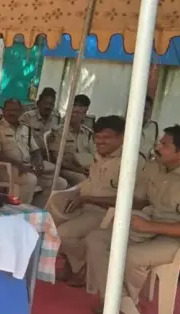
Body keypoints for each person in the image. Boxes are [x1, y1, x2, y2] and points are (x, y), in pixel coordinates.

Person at [84, 126, 180, 314]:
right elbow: (141, 201)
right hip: (149, 229)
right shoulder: (155, 167)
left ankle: (125, 312)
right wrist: (123, 212)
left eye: (164, 144)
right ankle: (120, 303)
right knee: (96, 239)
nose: (157, 147)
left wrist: (150, 226)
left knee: (132, 255)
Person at [48, 115, 143, 287]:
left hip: (107, 213)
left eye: (106, 137)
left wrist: (86, 198)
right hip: (86, 206)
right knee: (49, 223)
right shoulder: (100, 155)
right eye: (97, 137)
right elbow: (92, 182)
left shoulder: (131, 161)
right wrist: (70, 194)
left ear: (122, 137)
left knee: (64, 233)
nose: (100, 142)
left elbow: (131, 200)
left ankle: (80, 267)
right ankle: (73, 262)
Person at [47, 94, 94, 185]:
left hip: (86, 168)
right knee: (82, 179)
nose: (73, 115)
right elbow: (56, 159)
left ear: (84, 115)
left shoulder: (87, 133)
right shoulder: (59, 132)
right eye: (72, 112)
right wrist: (78, 170)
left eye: (77, 113)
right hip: (65, 169)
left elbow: (94, 155)